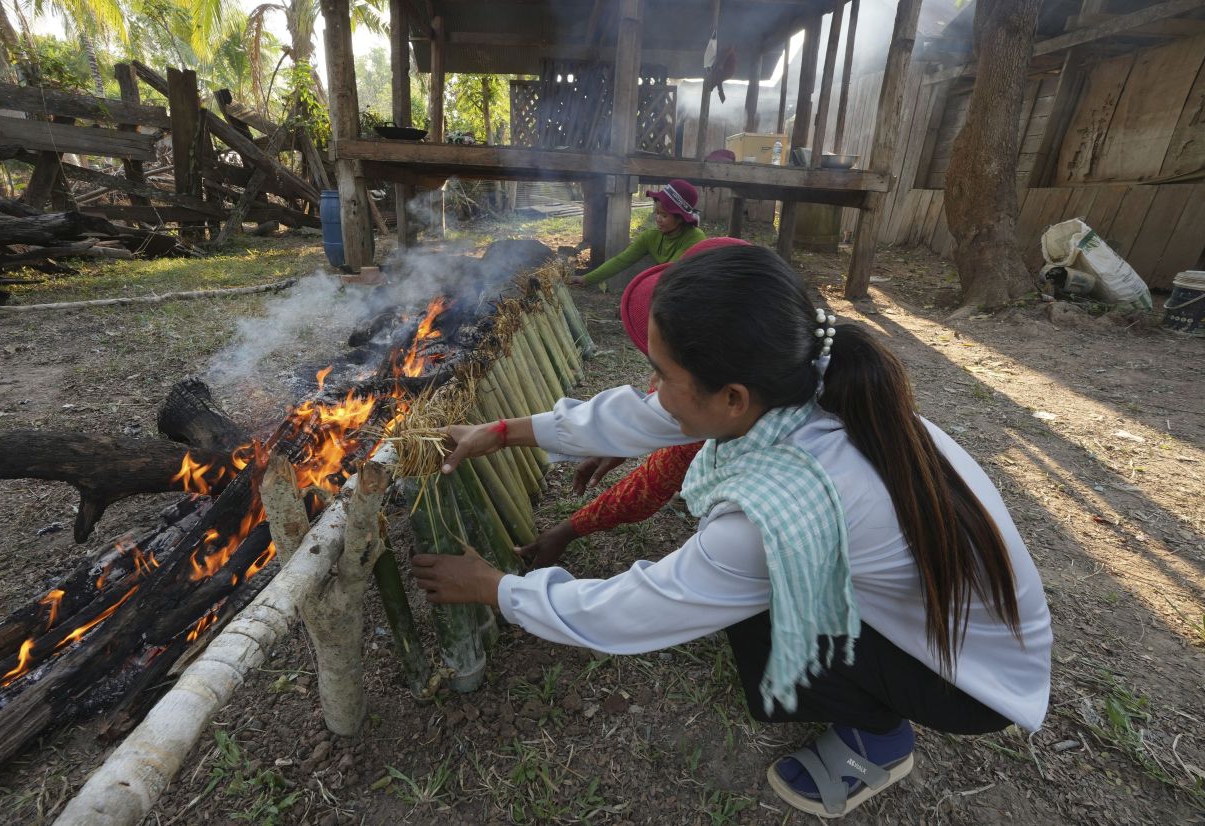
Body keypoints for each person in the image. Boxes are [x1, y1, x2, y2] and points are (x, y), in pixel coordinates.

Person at [412, 245, 1053, 818]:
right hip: (956, 620)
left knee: (754, 620)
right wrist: (501, 431)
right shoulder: (806, 377)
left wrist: (495, 588)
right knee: (749, 599)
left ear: (733, 399)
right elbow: (644, 416)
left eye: (662, 374)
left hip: (971, 682)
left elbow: (627, 613)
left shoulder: (777, 511)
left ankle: (878, 742)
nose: (652, 389)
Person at [522, 237, 749, 569]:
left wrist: (565, 531)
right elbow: (652, 417)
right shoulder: (733, 386)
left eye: (663, 373)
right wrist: (624, 443)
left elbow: (650, 486)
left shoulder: (747, 530)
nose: (653, 386)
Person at [569, 179, 706, 290]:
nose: (658, 219)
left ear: (680, 218)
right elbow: (621, 260)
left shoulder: (695, 238)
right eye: (657, 213)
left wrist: (636, 301)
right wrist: (586, 279)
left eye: (664, 215)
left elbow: (669, 272)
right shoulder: (651, 236)